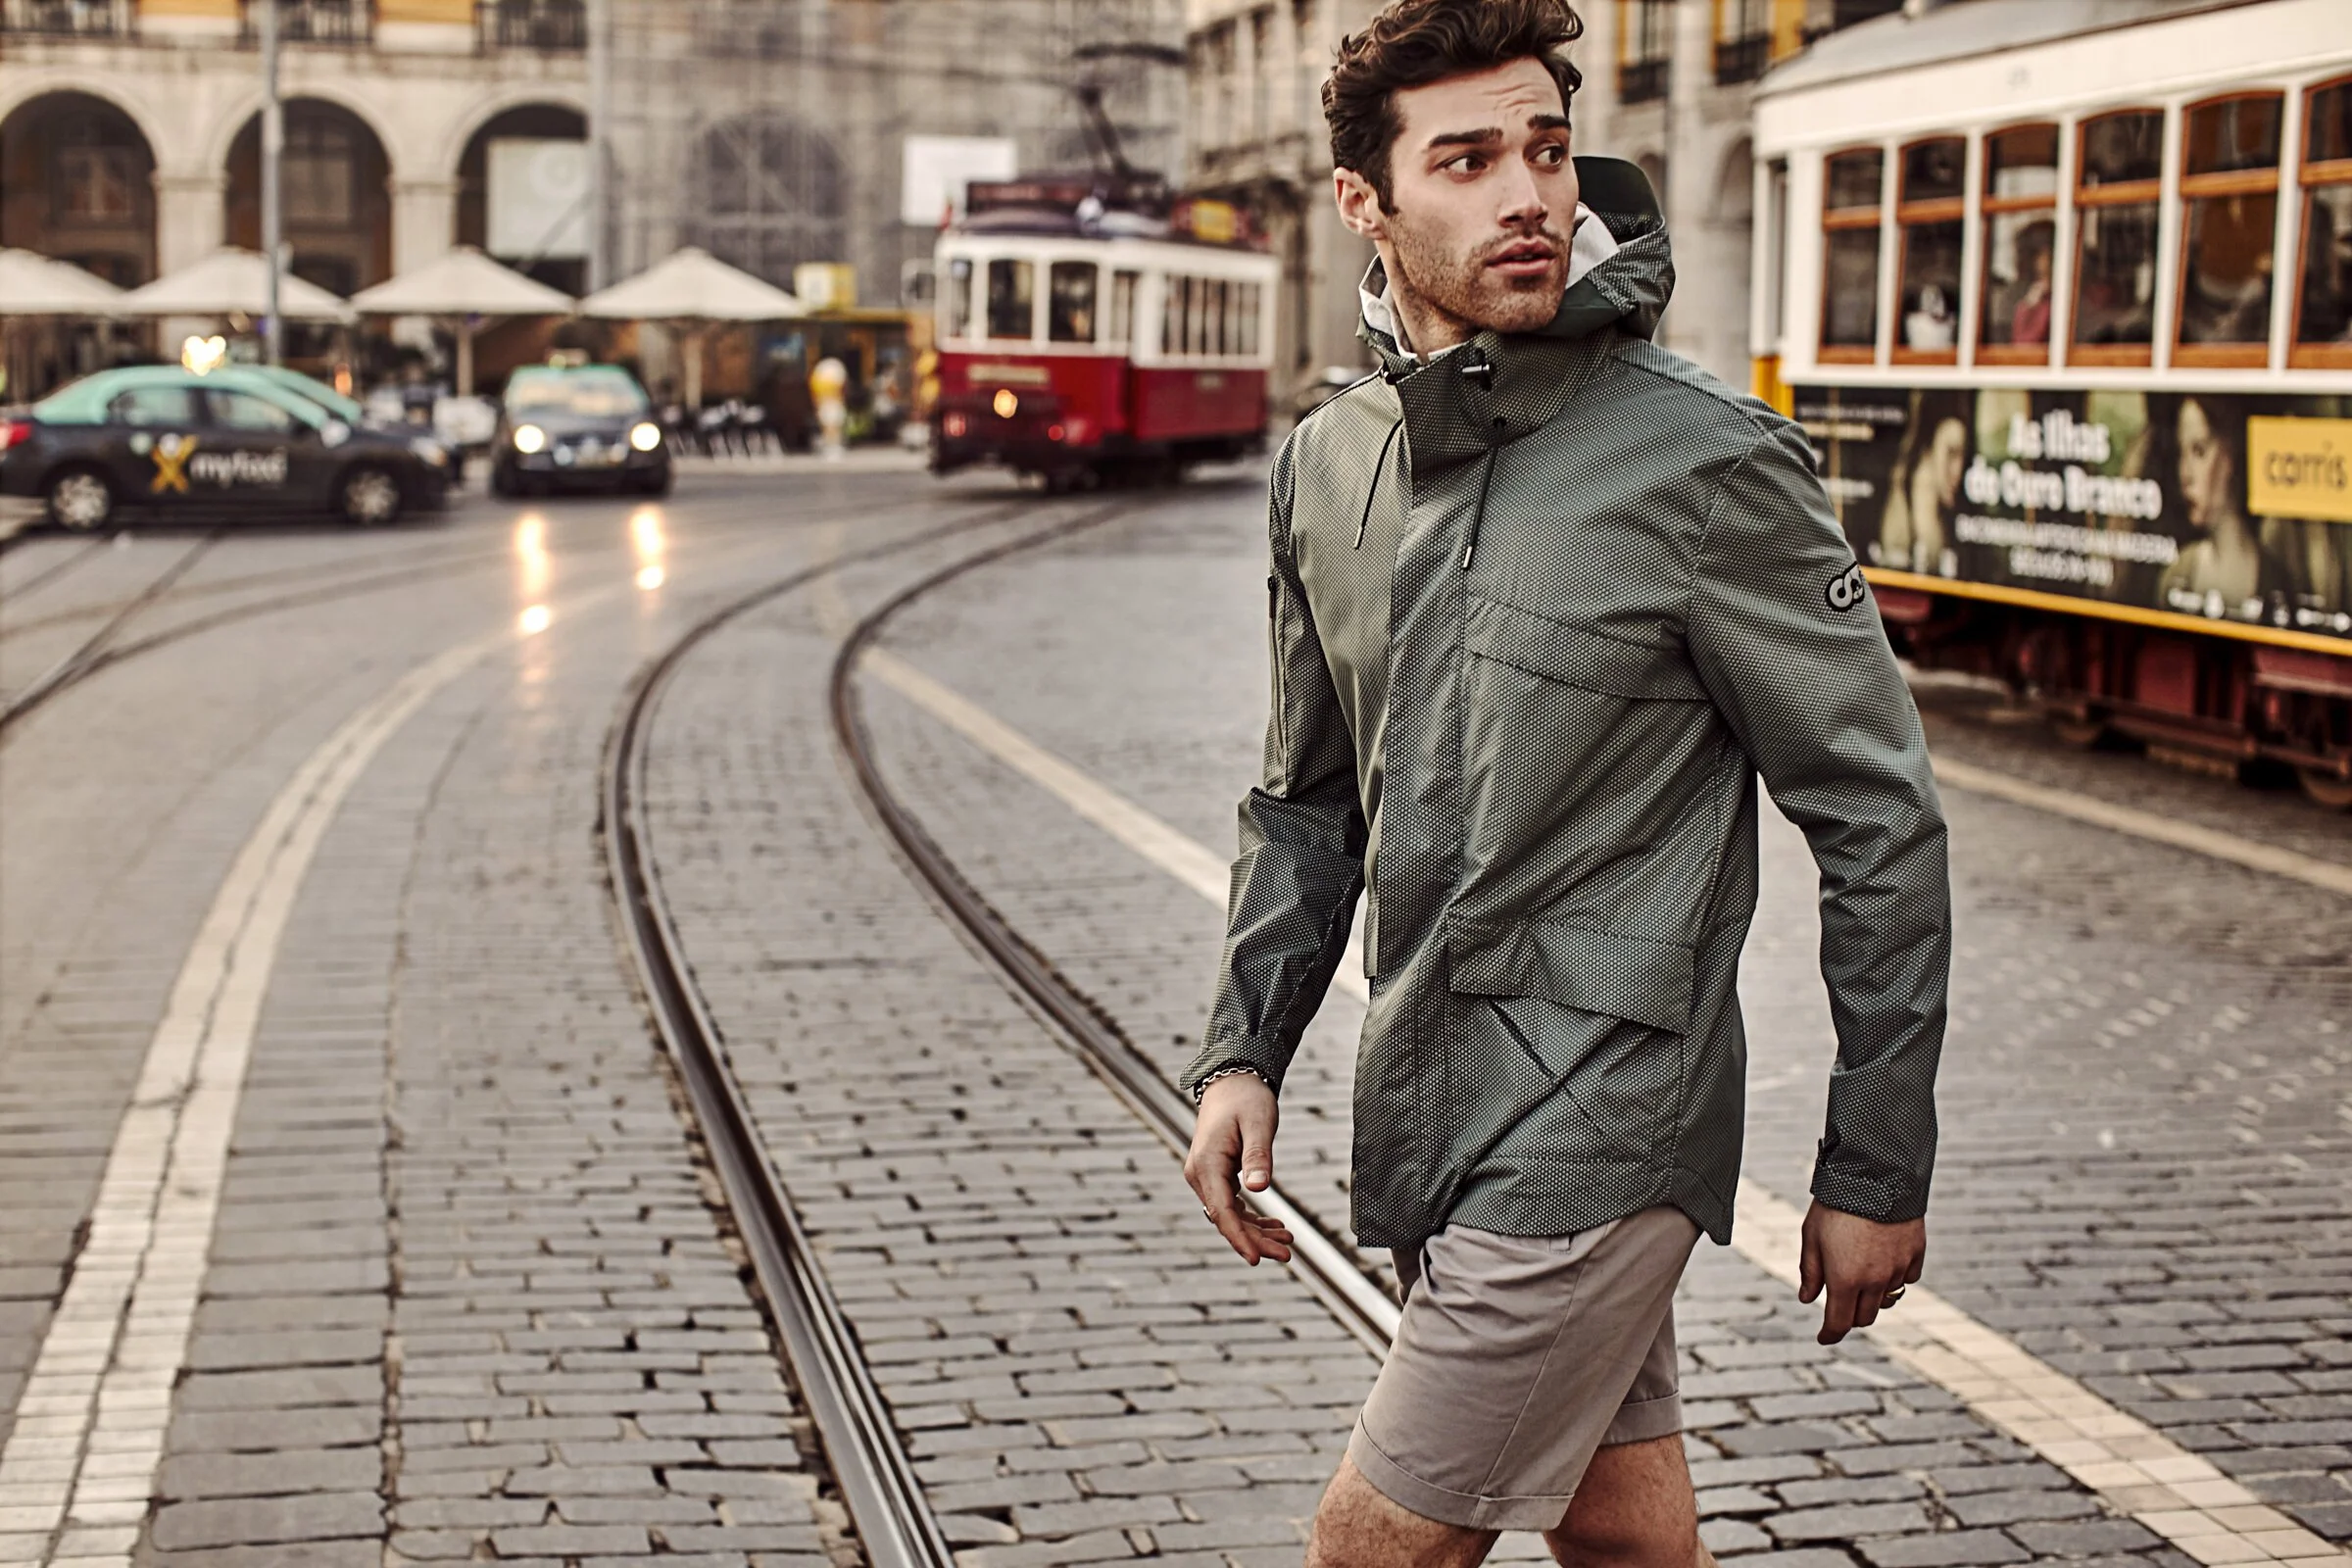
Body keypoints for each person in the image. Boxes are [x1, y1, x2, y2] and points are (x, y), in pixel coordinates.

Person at [1178, 5, 1952, 1565]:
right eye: (1465, 160)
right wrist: (1244, 1046)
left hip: (1606, 1115)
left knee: (1374, 1546)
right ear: (1365, 204)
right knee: (1621, 1533)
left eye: (1546, 149)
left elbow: (1877, 818)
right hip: (1433, 1096)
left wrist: (1874, 1164)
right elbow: (1304, 798)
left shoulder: (1707, 463)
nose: (1528, 193)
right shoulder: (1333, 461)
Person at [2159, 394, 2292, 612]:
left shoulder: (2276, 579)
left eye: (2199, 451)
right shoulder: (2177, 575)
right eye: (2180, 454)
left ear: (2230, 455)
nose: (2185, 474)